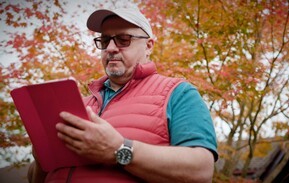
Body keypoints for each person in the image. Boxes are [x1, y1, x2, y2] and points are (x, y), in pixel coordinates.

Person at [28, 6, 218, 183]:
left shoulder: (178, 92)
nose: (110, 48)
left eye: (123, 39)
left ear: (149, 46)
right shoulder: (77, 105)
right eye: (104, 41)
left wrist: (118, 150)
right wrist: (41, 155)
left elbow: (201, 171)